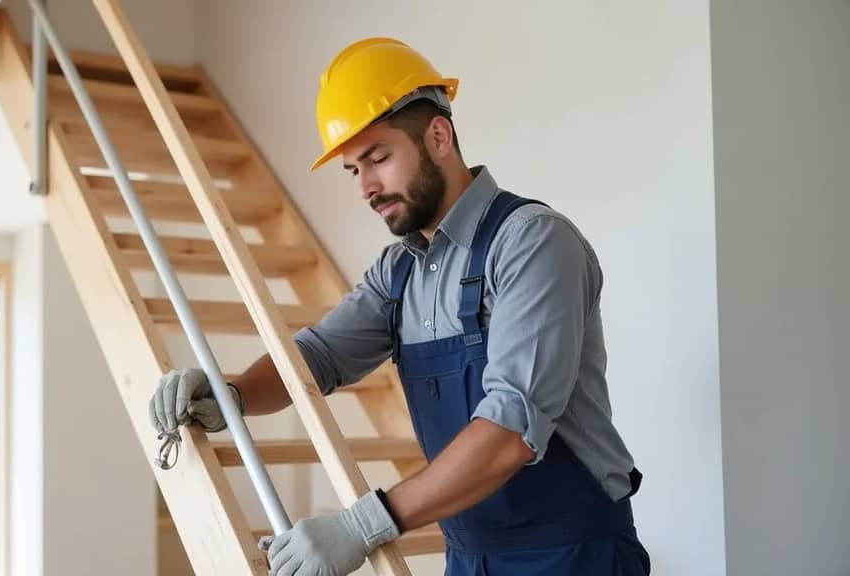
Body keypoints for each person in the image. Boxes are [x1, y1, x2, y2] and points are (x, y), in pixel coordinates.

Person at [148, 37, 651, 576]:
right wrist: (233, 394)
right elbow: (318, 356)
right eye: (353, 170)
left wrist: (362, 525)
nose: (366, 186)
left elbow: (511, 431)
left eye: (378, 158)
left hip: (572, 556)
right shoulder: (399, 271)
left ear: (438, 136)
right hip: (470, 557)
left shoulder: (532, 242)